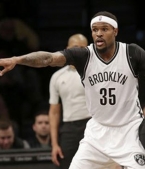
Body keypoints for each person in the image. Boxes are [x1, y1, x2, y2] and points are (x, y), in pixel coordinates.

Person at [0, 11, 145, 168]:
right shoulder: (84, 55)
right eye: (95, 29)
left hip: (129, 130)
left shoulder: (132, 53)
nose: (99, 33)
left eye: (104, 29)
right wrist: (17, 60)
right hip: (97, 132)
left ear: (115, 31)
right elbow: (48, 58)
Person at [49, 33, 91, 168]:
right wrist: (55, 144)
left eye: (82, 47)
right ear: (67, 49)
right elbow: (54, 112)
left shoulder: (96, 73)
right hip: (69, 128)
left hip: (92, 125)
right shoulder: (57, 77)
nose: (78, 51)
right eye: (75, 47)